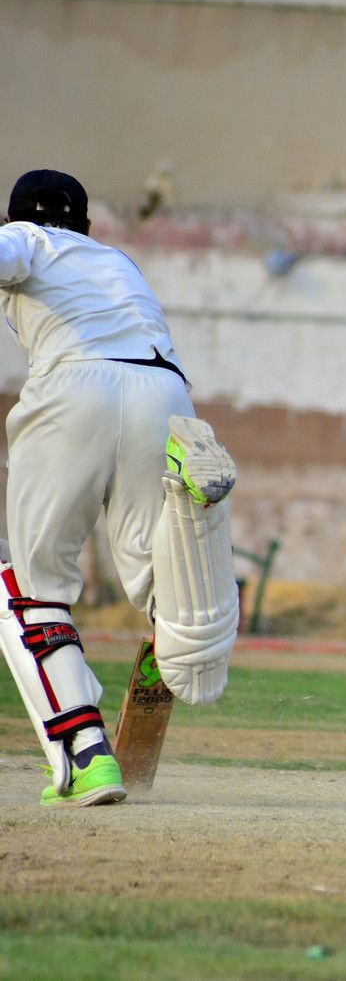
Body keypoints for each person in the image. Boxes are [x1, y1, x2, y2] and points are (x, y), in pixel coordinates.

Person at [0, 169, 239, 807]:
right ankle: (177, 627)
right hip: (164, 392)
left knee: (30, 582)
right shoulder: (115, 261)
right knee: (159, 567)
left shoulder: (27, 240)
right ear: (85, 225)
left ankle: (86, 756)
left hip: (75, 385)